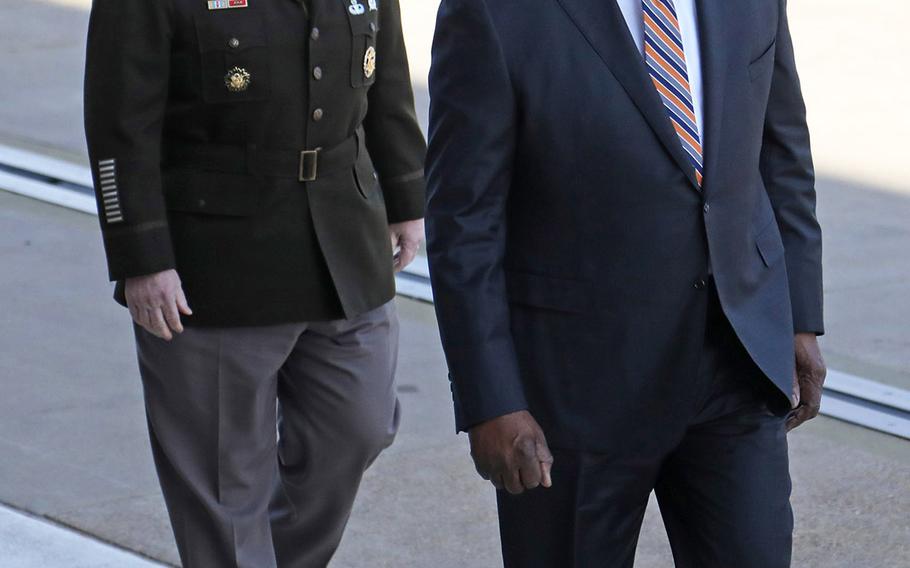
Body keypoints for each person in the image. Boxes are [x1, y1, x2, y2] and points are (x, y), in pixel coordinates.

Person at [426, 0, 826, 566]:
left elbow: (780, 150)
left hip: (735, 362)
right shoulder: (493, 10)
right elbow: (464, 223)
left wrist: (800, 317)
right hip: (575, 397)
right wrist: (491, 400)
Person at [84, 0, 425, 565]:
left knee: (359, 424)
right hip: (215, 263)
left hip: (343, 239)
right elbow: (120, 122)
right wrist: (141, 257)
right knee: (223, 481)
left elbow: (386, 71)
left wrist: (406, 192)